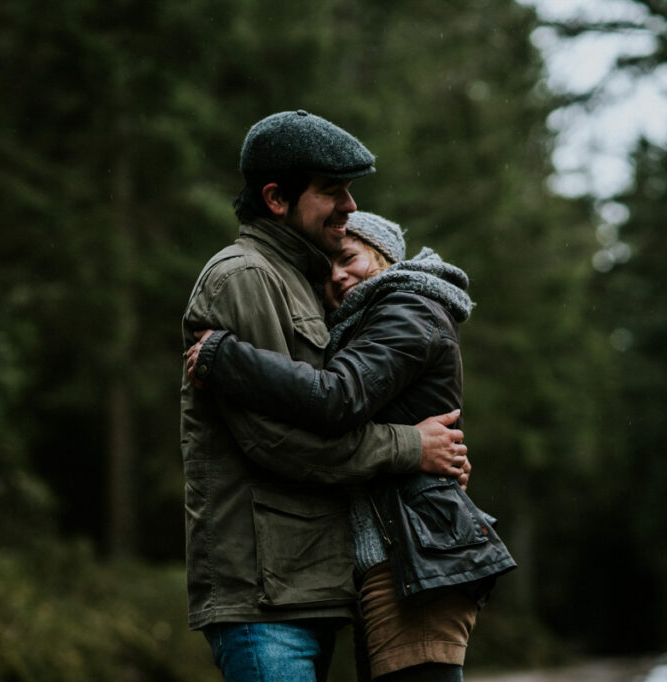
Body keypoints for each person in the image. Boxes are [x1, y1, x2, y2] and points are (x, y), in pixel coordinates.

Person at [181, 111, 470, 682]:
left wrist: (437, 456)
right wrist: (409, 448)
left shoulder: (314, 285)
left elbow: (352, 401)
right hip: (263, 596)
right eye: (332, 191)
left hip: (315, 583)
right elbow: (281, 441)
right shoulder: (244, 277)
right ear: (276, 198)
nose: (350, 206)